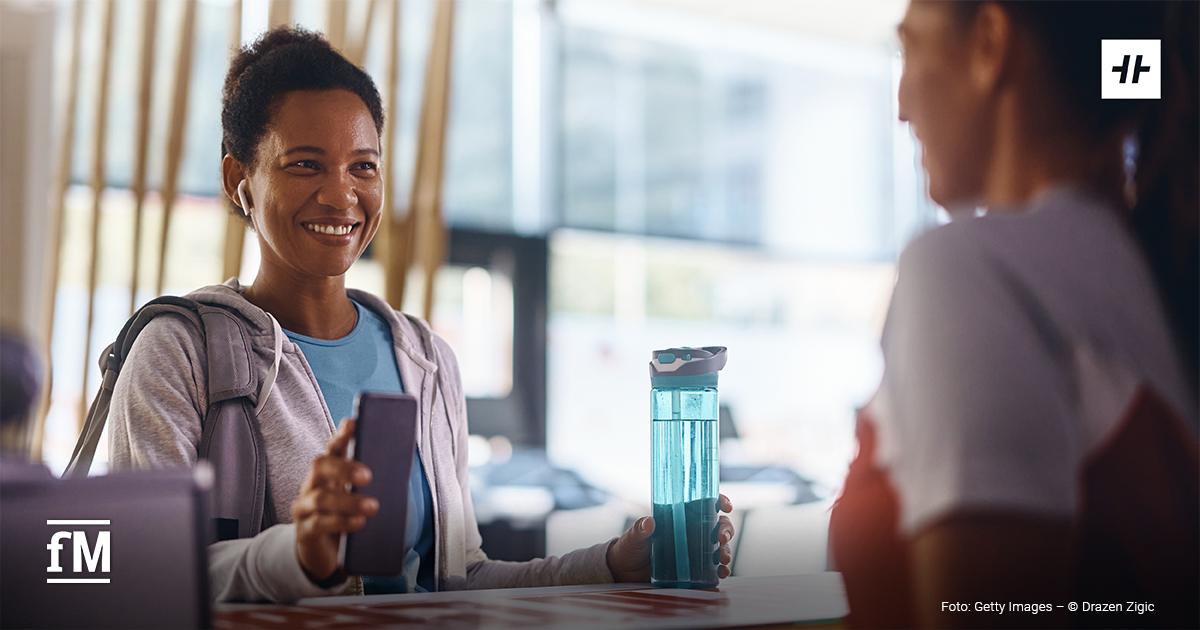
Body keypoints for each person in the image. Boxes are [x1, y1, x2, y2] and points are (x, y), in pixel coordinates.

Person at [108, 27, 735, 603]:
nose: (341, 194)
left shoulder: (425, 357)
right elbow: (146, 574)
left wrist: (610, 564)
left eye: (364, 166)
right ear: (238, 180)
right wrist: (299, 556)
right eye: (305, 164)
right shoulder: (179, 351)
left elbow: (461, 579)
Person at [830, 1, 1198, 628]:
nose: (902, 103)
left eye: (911, 49)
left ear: (990, 44)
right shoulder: (1144, 271)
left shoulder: (970, 271)